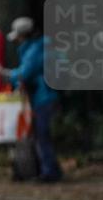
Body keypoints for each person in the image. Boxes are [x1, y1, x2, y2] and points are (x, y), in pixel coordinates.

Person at [4, 16, 61, 183]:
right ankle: (49, 169)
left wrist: (6, 74)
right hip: (45, 96)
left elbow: (24, 73)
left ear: (23, 35)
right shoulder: (40, 46)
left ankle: (49, 172)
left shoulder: (35, 50)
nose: (17, 41)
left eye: (18, 37)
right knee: (40, 135)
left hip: (44, 97)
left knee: (42, 135)